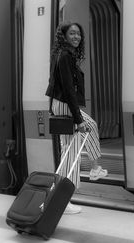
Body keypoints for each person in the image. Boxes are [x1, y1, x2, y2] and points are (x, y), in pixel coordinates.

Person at [45, 22, 108, 214]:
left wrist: (52, 108)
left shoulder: (64, 55)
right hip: (65, 105)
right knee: (70, 153)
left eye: (78, 34)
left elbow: (53, 83)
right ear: (64, 36)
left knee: (87, 129)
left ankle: (95, 168)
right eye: (72, 33)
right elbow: (67, 89)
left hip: (61, 104)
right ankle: (62, 200)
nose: (76, 37)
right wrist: (77, 118)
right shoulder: (64, 56)